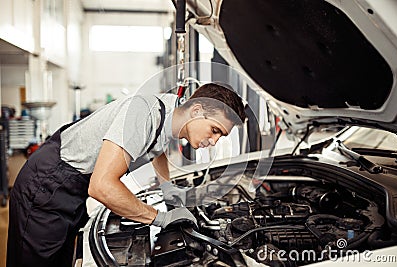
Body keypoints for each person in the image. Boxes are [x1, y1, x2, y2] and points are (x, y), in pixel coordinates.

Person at [7, 82, 246, 267]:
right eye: (215, 130)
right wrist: (158, 218)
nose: (213, 141)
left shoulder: (170, 111)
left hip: (71, 186)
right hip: (47, 185)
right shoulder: (143, 113)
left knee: (60, 259)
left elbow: (157, 147)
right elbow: (101, 187)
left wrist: (168, 190)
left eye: (220, 136)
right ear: (196, 110)